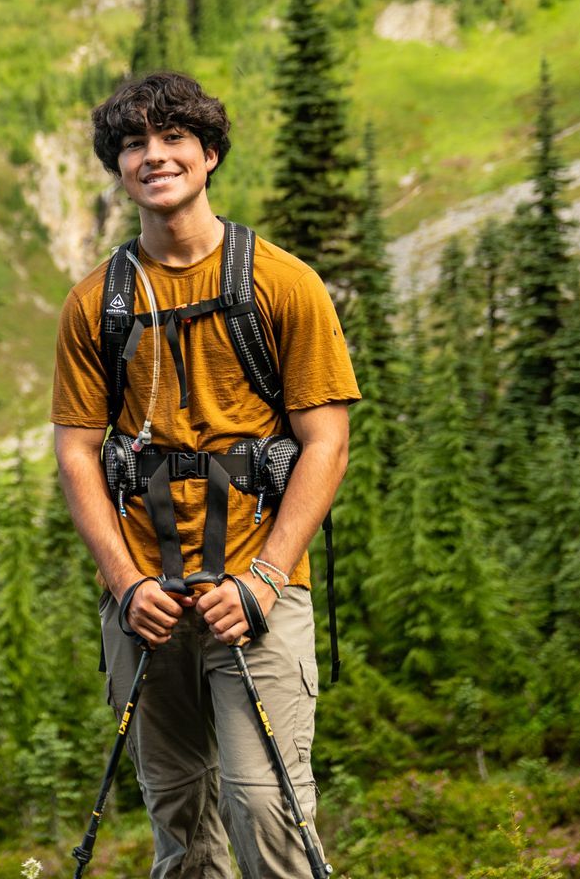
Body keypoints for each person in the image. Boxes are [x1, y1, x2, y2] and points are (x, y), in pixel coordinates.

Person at [52, 71, 359, 879]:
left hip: (258, 588)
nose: (154, 156)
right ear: (118, 168)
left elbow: (326, 443)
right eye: (132, 144)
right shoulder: (96, 305)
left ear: (210, 153)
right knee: (179, 818)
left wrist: (262, 578)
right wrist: (124, 585)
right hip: (145, 600)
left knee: (269, 808)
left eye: (173, 138)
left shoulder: (284, 285)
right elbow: (77, 452)